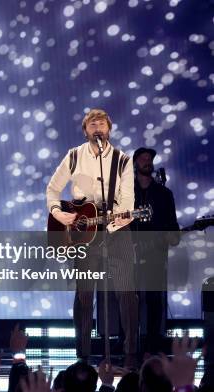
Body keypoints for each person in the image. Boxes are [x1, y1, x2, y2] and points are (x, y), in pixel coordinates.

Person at [46, 109, 139, 368]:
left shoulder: (122, 160)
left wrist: (125, 216)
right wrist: (57, 212)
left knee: (127, 292)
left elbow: (128, 196)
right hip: (82, 232)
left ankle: (130, 352)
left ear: (109, 129)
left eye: (102, 124)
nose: (97, 127)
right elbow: (53, 188)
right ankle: (83, 355)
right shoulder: (74, 156)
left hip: (115, 231)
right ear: (85, 130)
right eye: (92, 124)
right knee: (85, 295)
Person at [132, 147, 180, 355]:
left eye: (150, 158)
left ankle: (151, 345)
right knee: (129, 299)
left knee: (154, 300)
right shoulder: (124, 192)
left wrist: (172, 237)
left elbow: (173, 228)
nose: (147, 161)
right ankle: (129, 343)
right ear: (135, 163)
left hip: (155, 254)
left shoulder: (164, 194)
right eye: (143, 158)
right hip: (129, 252)